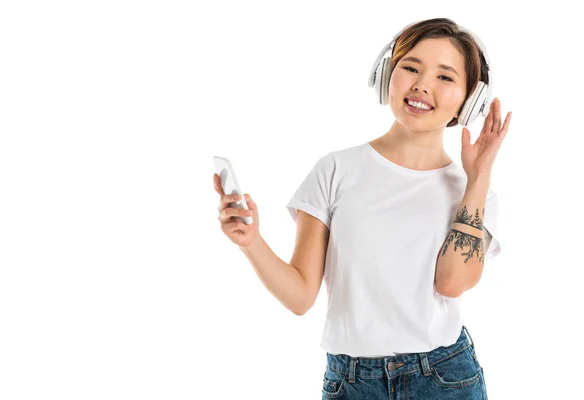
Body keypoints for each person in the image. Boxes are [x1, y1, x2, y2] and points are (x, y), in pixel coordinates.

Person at [213, 17, 512, 400]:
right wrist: (251, 242)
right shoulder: (336, 170)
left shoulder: (476, 194)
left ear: (470, 101)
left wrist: (479, 176)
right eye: (411, 67)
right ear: (386, 73)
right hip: (351, 382)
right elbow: (301, 296)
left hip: (444, 379)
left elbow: (452, 283)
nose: (422, 84)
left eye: (445, 77)